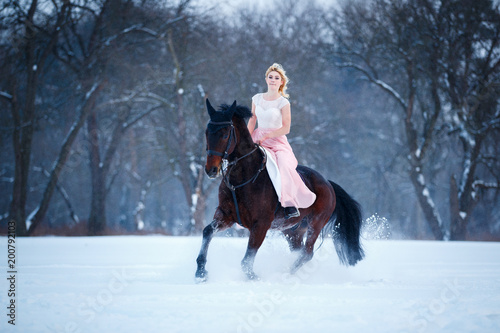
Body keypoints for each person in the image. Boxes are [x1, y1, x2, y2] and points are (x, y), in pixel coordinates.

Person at [247, 63, 316, 219]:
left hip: (277, 142)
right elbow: (252, 121)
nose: (273, 80)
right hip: (257, 139)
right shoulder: (256, 98)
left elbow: (286, 128)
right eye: (270, 77)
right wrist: (245, 139)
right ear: (266, 79)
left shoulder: (283, 102)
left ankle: (289, 204)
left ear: (281, 82)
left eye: (276, 78)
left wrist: (267, 137)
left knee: (284, 165)